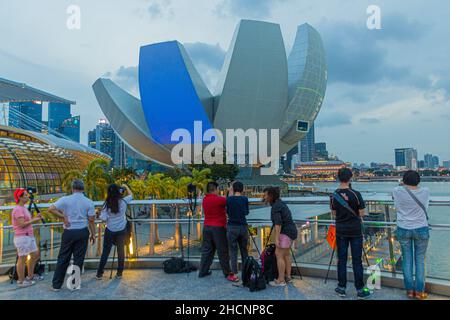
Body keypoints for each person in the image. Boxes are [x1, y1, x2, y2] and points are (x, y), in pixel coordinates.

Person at [330, 168, 371, 299]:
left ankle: (341, 288)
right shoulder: (356, 194)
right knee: (357, 260)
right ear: (350, 178)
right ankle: (359, 289)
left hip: (341, 230)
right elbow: (362, 213)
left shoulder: (334, 195)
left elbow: (334, 214)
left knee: (341, 260)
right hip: (355, 231)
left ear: (338, 178)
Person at [48, 179, 96, 291]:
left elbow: (51, 209)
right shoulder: (89, 202)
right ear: (83, 189)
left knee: (63, 257)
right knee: (78, 259)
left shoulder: (65, 199)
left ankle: (56, 285)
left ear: (72, 188)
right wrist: (93, 234)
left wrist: (63, 217)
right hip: (82, 232)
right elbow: (91, 220)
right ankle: (74, 284)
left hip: (69, 232)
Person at [393, 170, 430, 300]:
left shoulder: (397, 191)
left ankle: (409, 291)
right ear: (418, 180)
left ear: (403, 180)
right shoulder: (425, 191)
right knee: (420, 260)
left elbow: (398, 190)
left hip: (403, 228)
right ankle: (419, 292)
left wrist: (402, 184)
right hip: (421, 228)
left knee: (407, 260)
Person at [199, 181, 237, 282]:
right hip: (218, 228)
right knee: (222, 252)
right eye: (218, 189)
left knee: (207, 251)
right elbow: (230, 200)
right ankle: (228, 274)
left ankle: (202, 271)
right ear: (215, 189)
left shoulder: (205, 199)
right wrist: (231, 190)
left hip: (207, 227)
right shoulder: (219, 199)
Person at [96, 184, 133, 280]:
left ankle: (99, 273)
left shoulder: (106, 204)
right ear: (118, 192)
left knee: (105, 252)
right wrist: (126, 187)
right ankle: (119, 273)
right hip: (121, 230)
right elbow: (131, 195)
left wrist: (100, 214)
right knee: (121, 251)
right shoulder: (124, 201)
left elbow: (103, 219)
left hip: (110, 230)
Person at [263, 187, 298, 287]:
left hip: (285, 232)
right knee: (286, 254)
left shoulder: (276, 207)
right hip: (291, 231)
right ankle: (288, 277)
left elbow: (278, 223)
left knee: (279, 255)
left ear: (271, 196)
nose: (264, 197)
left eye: (265, 195)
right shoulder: (281, 204)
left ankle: (281, 280)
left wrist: (277, 238)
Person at [11, 188, 42, 288]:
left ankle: (30, 276)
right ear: (19, 197)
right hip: (22, 237)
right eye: (25, 195)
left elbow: (27, 222)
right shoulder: (18, 209)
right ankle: (21, 281)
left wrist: (35, 218)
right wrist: (35, 220)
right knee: (22, 259)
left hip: (29, 236)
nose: (27, 196)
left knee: (35, 255)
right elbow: (22, 224)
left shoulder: (23, 208)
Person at [226, 181, 249, 280]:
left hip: (232, 227)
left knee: (233, 251)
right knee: (244, 251)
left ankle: (234, 274)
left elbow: (227, 212)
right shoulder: (245, 199)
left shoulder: (229, 200)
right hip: (243, 227)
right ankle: (246, 273)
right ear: (242, 189)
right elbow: (246, 212)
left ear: (233, 189)